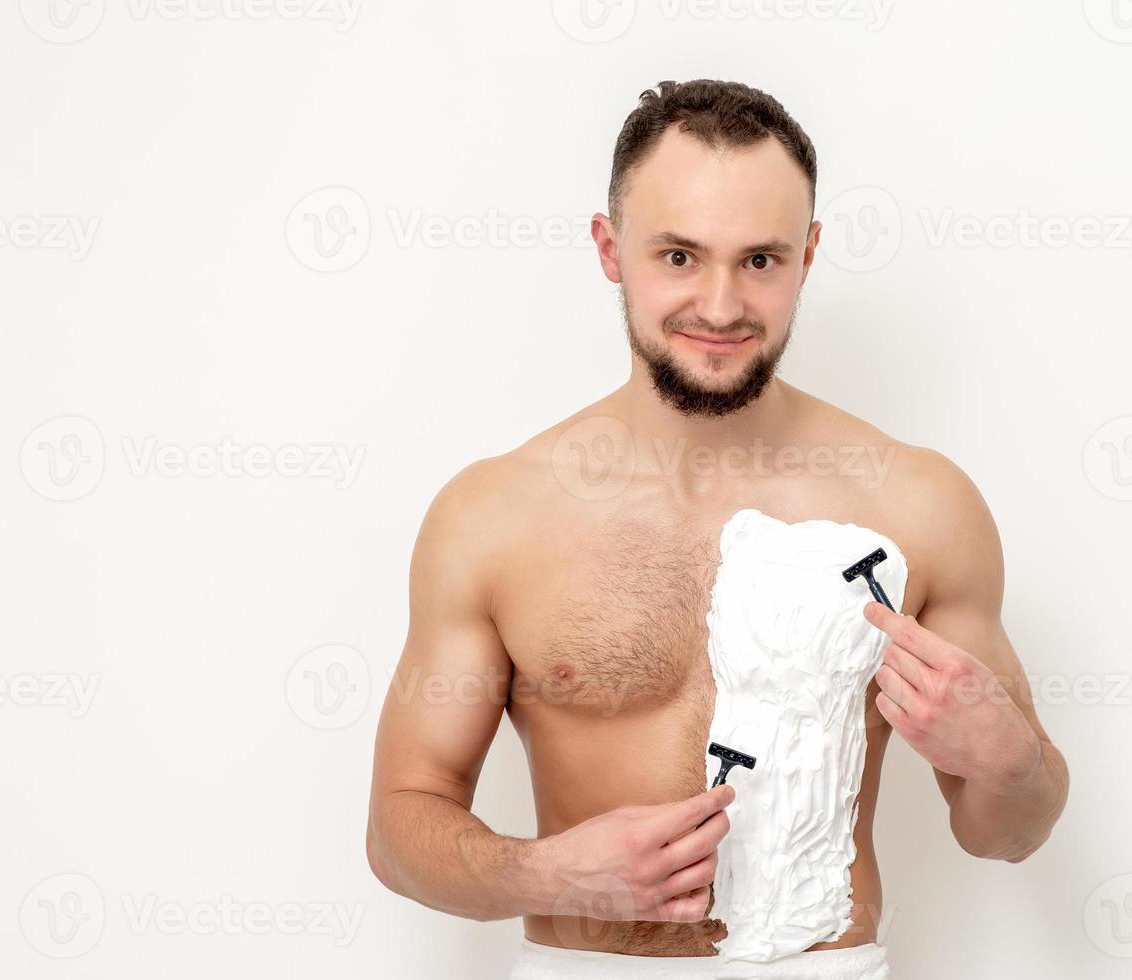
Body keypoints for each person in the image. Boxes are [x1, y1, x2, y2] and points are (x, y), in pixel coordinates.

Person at [364, 79, 1069, 978]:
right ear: (609, 248)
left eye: (761, 261)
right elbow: (399, 826)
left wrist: (1011, 766)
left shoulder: (919, 506)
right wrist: (540, 872)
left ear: (808, 255)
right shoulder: (495, 516)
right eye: (680, 257)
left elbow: (1010, 833)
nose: (724, 307)